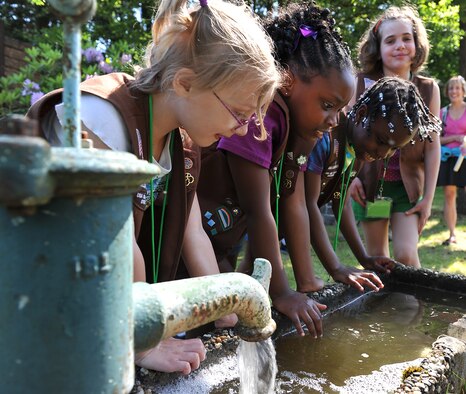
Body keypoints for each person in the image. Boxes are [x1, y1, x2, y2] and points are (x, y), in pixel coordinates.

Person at [27, 0, 281, 374]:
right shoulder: (101, 116)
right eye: (239, 113)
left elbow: (193, 230)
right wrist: (142, 341)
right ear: (185, 83)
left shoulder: (180, 140)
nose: (242, 129)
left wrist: (224, 301)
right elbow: (113, 240)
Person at [197, 2, 354, 338]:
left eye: (339, 109)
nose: (334, 120)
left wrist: (300, 280)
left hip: (220, 244)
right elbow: (258, 212)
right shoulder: (261, 116)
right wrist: (281, 292)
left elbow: (285, 202)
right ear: (288, 80)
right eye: (327, 105)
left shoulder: (297, 126)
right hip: (193, 244)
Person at [280, 77, 442, 293]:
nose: (384, 154)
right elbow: (308, 205)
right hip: (270, 212)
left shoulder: (357, 151)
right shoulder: (325, 138)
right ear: (361, 114)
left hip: (278, 219)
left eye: (394, 149)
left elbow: (342, 203)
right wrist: (335, 267)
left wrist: (364, 258)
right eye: (382, 141)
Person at [348, 5, 441, 268]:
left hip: (407, 190)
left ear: (417, 44)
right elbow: (343, 133)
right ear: (378, 49)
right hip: (371, 189)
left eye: (406, 38)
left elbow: (433, 147)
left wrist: (428, 199)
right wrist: (350, 176)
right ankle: (386, 309)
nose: (399, 45)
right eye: (390, 40)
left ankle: (414, 309)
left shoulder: (429, 89)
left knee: (406, 255)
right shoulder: (361, 84)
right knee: (380, 259)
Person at [437, 75, 466, 245]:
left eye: (457, 88)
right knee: (449, 195)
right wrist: (455, 137)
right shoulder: (443, 112)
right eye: (451, 88)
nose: (454, 91)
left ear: (463, 91)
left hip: (465, 157)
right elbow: (436, 139)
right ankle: (452, 234)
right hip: (448, 158)